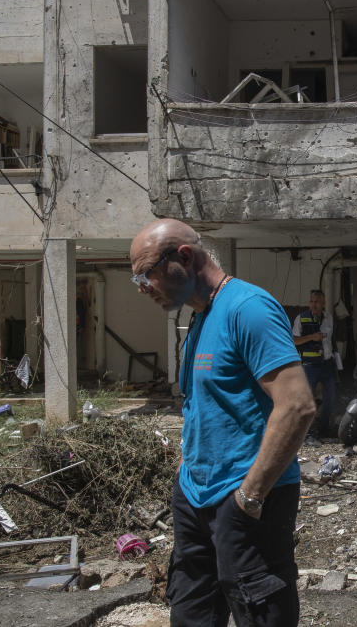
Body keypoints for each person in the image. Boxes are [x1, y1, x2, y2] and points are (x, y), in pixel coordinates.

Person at [130, 219, 315, 627]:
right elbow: (204, 406)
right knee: (190, 611)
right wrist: (185, 474)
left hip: (248, 499)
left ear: (183, 257)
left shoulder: (247, 308)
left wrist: (249, 497)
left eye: (147, 273)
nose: (143, 287)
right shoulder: (199, 317)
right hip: (195, 498)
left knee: (260, 610)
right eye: (137, 278)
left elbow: (297, 406)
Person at [292, 290, 337, 437]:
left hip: (327, 365)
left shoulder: (329, 318)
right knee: (307, 400)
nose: (314, 304)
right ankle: (307, 432)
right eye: (311, 301)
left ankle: (324, 429)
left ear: (323, 303)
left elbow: (331, 340)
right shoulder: (301, 318)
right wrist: (312, 337)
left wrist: (336, 362)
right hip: (309, 366)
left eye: (317, 301)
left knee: (329, 399)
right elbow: (294, 340)